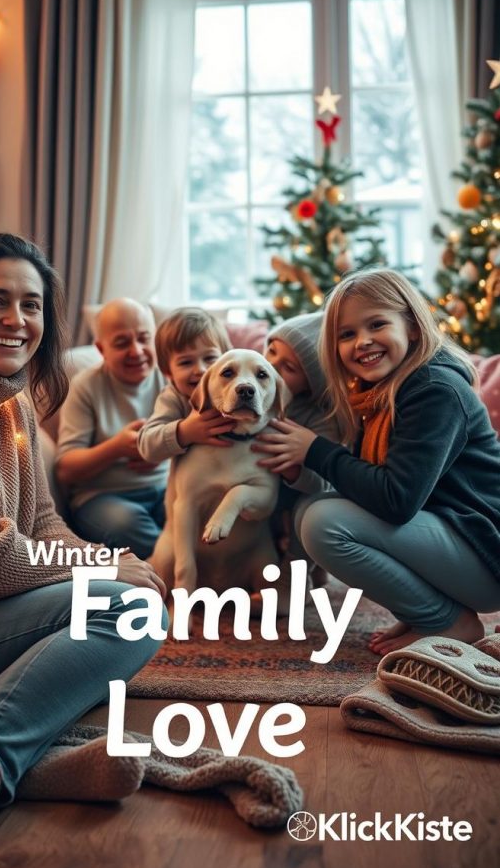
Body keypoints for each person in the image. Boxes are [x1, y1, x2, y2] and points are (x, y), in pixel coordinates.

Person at [0, 234, 166, 838]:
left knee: (134, 606)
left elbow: (43, 523)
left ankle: (30, 765)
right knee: (127, 613)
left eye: (31, 305)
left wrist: (108, 559)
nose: (16, 320)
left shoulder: (11, 396)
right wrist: (102, 573)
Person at [254, 268, 500, 654]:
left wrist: (315, 450)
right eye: (347, 334)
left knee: (324, 523)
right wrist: (301, 467)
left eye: (376, 324)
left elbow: (396, 500)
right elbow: (364, 484)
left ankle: (450, 622)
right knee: (311, 511)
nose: (362, 342)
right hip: (457, 538)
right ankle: (429, 611)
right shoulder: (379, 393)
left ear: (413, 327)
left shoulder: (434, 390)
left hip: (486, 550)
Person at [55, 299, 168, 559]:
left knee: (195, 516)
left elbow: (196, 434)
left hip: (165, 489)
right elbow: (65, 469)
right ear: (101, 349)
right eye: (121, 343)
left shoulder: (169, 379)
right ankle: (182, 581)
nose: (136, 351)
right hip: (103, 497)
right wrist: (116, 448)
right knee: (125, 525)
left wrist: (165, 449)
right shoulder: (86, 386)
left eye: (144, 339)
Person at [262, 313, 344, 582]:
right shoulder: (250, 388)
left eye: (288, 368)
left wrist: (293, 472)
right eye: (271, 351)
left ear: (311, 385)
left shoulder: (321, 417)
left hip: (299, 493)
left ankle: (292, 580)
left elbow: (323, 484)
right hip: (260, 490)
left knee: (307, 506)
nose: (271, 365)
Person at [138, 306, 234, 464]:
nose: (201, 369)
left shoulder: (237, 389)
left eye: (210, 358)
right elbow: (146, 448)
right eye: (186, 362)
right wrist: (185, 432)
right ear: (168, 372)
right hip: (193, 484)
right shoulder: (173, 397)